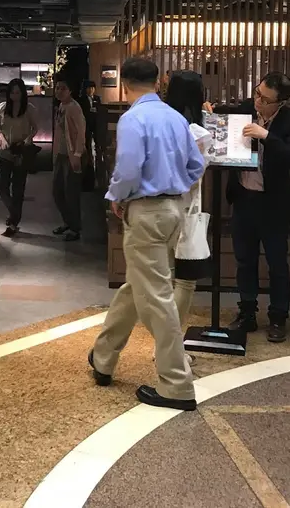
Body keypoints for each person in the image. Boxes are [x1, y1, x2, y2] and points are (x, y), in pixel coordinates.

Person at [89, 57, 205, 411]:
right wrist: (175, 186)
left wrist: (117, 196)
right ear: (157, 83)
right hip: (173, 211)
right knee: (137, 286)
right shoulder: (176, 118)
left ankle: (177, 385)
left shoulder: (133, 118)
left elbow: (127, 169)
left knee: (156, 298)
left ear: (125, 85)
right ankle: (104, 356)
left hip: (146, 211)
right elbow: (196, 165)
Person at [219, 72, 290, 343]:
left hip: (274, 203)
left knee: (277, 262)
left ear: (280, 103)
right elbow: (225, 115)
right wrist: (211, 111)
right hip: (244, 197)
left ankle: (278, 316)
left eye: (265, 99)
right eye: (257, 93)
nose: (258, 101)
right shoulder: (247, 109)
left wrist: (266, 135)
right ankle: (247, 312)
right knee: (244, 260)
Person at [165, 70, 212, 328]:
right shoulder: (197, 131)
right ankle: (171, 337)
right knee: (185, 279)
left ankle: (165, 337)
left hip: (158, 205)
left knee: (161, 276)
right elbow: (196, 172)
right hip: (187, 206)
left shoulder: (163, 124)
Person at [0, 78, 38, 237]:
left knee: (18, 188)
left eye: (17, 92)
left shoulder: (29, 109)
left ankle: (13, 222)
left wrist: (27, 139)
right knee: (2, 186)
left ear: (22, 93)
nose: (15, 95)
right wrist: (3, 140)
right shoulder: (1, 108)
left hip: (21, 151)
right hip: (5, 151)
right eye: (12, 92)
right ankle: (14, 214)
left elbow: (35, 128)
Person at [52, 75, 87, 241]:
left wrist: (78, 154)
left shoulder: (74, 108)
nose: (59, 91)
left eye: (63, 88)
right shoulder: (62, 106)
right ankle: (68, 221)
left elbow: (81, 132)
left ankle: (75, 228)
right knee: (57, 192)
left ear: (70, 90)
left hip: (72, 155)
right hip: (61, 155)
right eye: (57, 88)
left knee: (71, 193)